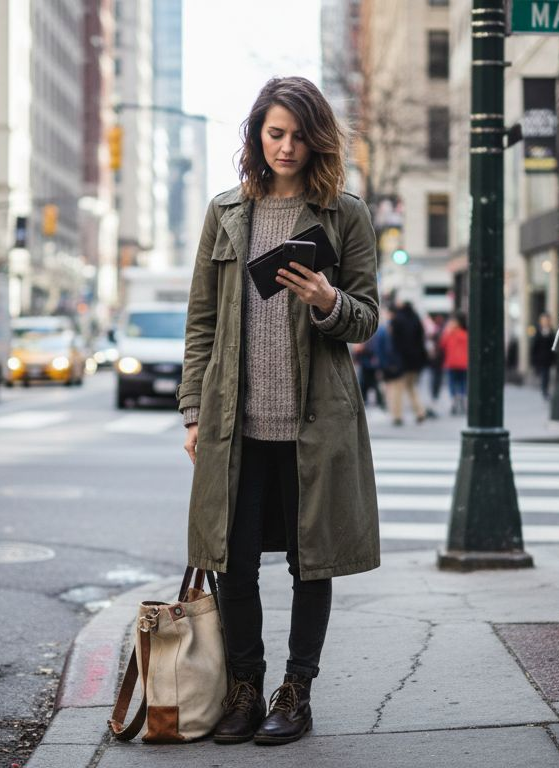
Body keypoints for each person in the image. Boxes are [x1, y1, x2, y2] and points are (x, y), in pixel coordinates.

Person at [178, 76, 381, 747]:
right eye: (275, 133)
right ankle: (243, 688)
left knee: (310, 561)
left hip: (312, 427)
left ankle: (295, 691)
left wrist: (328, 301)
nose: (286, 146)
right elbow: (201, 324)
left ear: (316, 140)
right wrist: (192, 413)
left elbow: (366, 319)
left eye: (298, 135)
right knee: (231, 561)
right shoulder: (225, 212)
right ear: (257, 136)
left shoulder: (344, 215)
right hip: (235, 426)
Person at [385, 299, 429, 426]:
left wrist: (392, 361)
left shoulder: (397, 320)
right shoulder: (416, 319)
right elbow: (421, 341)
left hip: (401, 361)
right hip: (415, 361)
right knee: (411, 387)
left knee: (397, 388)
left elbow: (394, 343)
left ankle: (397, 416)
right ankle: (420, 412)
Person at [438, 314, 469, 415]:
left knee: (453, 383)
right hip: (463, 363)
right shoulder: (465, 334)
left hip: (452, 363)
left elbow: (442, 345)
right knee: (462, 382)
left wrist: (447, 331)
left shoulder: (450, 334)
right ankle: (462, 399)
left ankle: (455, 400)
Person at [530, 312, 555, 399]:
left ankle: (545, 390)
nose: (545, 322)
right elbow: (534, 345)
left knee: (546, 375)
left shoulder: (551, 331)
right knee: (544, 374)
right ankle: (544, 390)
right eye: (543, 320)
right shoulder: (537, 331)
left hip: (548, 358)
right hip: (540, 358)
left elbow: (553, 345)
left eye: (547, 320)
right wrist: (534, 358)